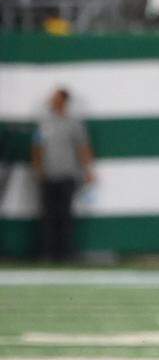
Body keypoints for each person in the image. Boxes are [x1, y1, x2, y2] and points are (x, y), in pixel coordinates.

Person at [31, 88, 95, 262]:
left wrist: (89, 171)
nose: (52, 101)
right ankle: (48, 253)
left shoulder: (73, 123)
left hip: (67, 174)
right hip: (48, 175)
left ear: (64, 101)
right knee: (48, 216)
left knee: (65, 215)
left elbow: (83, 147)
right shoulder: (45, 122)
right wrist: (37, 169)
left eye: (56, 98)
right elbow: (37, 147)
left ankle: (66, 253)